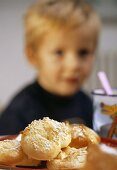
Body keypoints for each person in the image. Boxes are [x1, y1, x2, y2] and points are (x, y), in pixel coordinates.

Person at [0, 0, 101, 135]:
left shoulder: (88, 105)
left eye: (83, 52)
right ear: (33, 56)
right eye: (59, 53)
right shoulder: (18, 114)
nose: (73, 65)